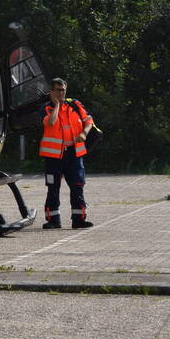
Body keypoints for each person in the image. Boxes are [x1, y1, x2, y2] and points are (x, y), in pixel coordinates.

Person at [39, 77, 94, 229]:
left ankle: (79, 219)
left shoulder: (75, 104)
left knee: (77, 185)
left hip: (74, 154)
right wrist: (56, 105)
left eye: (63, 89)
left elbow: (88, 121)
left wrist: (84, 133)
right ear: (51, 91)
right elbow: (50, 122)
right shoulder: (47, 107)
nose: (61, 93)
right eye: (58, 90)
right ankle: (53, 220)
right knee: (53, 187)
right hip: (54, 156)